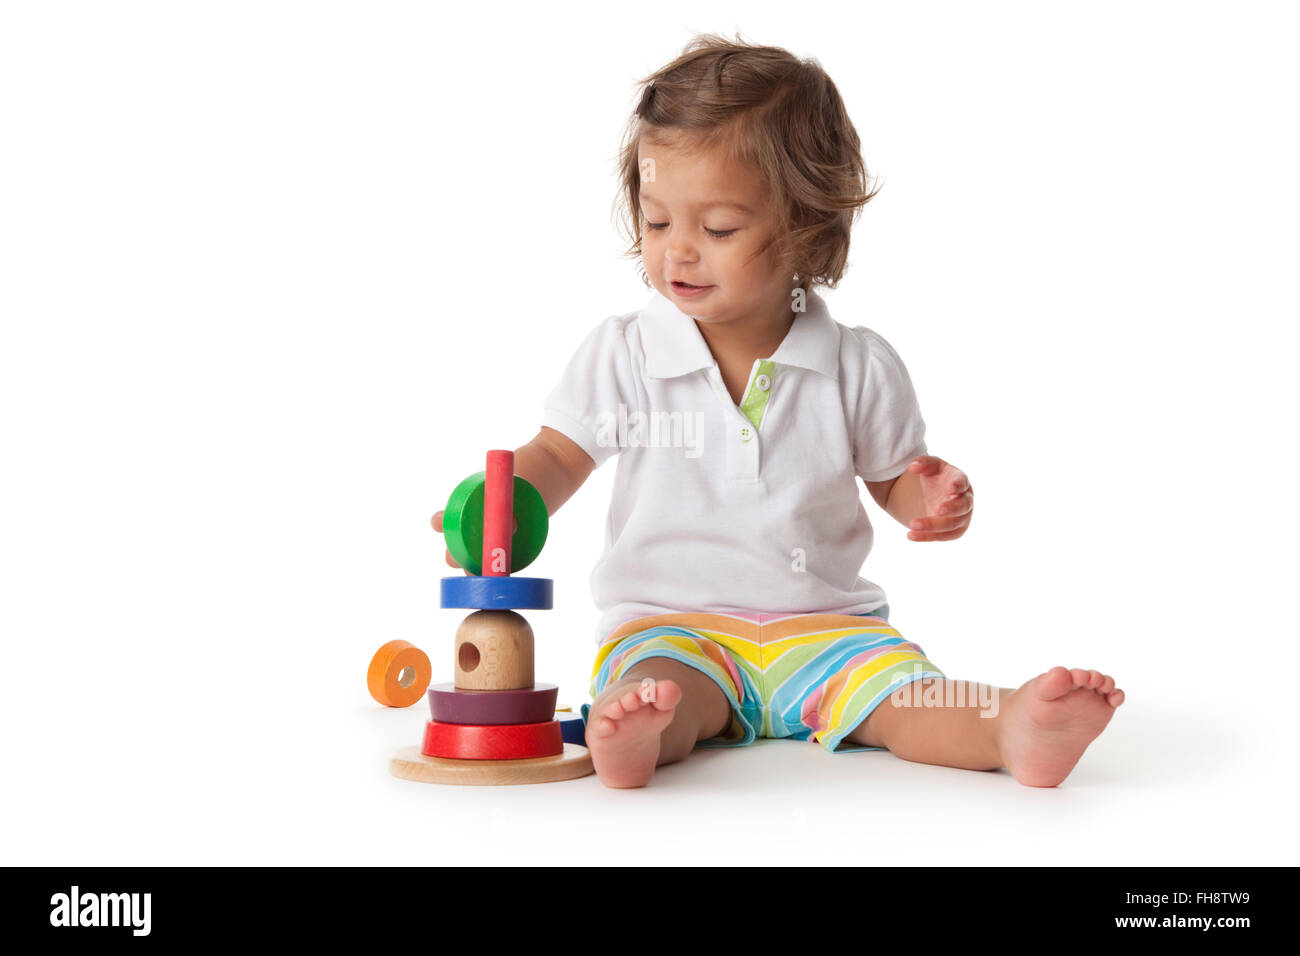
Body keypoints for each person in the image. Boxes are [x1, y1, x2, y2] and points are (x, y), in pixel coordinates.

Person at [433, 33, 1123, 789]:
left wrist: (932, 497)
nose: (678, 253)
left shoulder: (857, 364)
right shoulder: (625, 353)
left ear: (806, 226)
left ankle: (1012, 726)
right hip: (674, 626)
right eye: (658, 221)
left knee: (906, 695)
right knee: (656, 693)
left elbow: (895, 482)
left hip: (829, 631)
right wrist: (499, 506)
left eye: (718, 229)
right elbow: (561, 454)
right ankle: (632, 737)